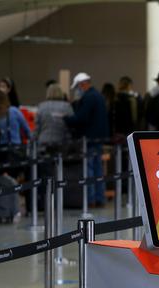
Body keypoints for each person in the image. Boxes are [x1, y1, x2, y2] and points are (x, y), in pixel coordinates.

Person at [64, 72, 109, 207]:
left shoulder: (88, 98)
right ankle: (100, 198)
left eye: (77, 87)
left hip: (89, 139)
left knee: (89, 169)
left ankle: (90, 199)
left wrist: (66, 119)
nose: (77, 91)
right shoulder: (99, 96)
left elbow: (81, 118)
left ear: (82, 84)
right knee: (98, 169)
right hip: (99, 138)